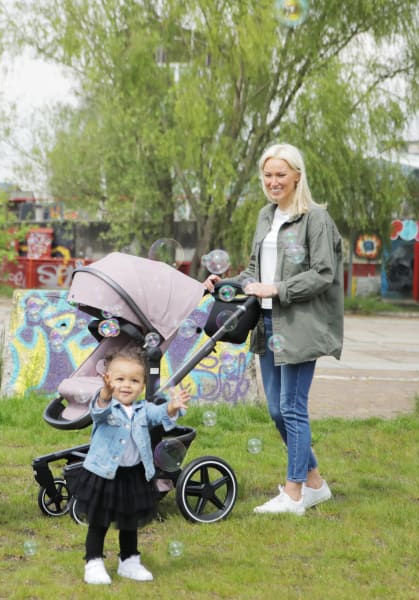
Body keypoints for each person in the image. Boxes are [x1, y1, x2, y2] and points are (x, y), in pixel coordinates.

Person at [205, 142, 343, 516]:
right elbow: (254, 272)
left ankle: (294, 494)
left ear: (297, 175)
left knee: (292, 408)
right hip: (267, 324)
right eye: (267, 175)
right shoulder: (266, 216)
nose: (273, 181)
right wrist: (226, 285)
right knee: (277, 411)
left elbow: (323, 275)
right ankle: (314, 483)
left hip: (299, 325)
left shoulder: (316, 219)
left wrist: (278, 290)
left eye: (281, 174)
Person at [71, 345, 191, 585]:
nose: (126, 385)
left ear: (143, 385)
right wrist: (105, 394)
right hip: (105, 474)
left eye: (134, 380)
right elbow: (97, 412)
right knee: (100, 519)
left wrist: (172, 406)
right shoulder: (106, 406)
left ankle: (129, 561)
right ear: (108, 380)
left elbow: (159, 414)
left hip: (133, 474)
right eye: (120, 379)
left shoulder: (142, 409)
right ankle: (93, 562)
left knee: (130, 519)